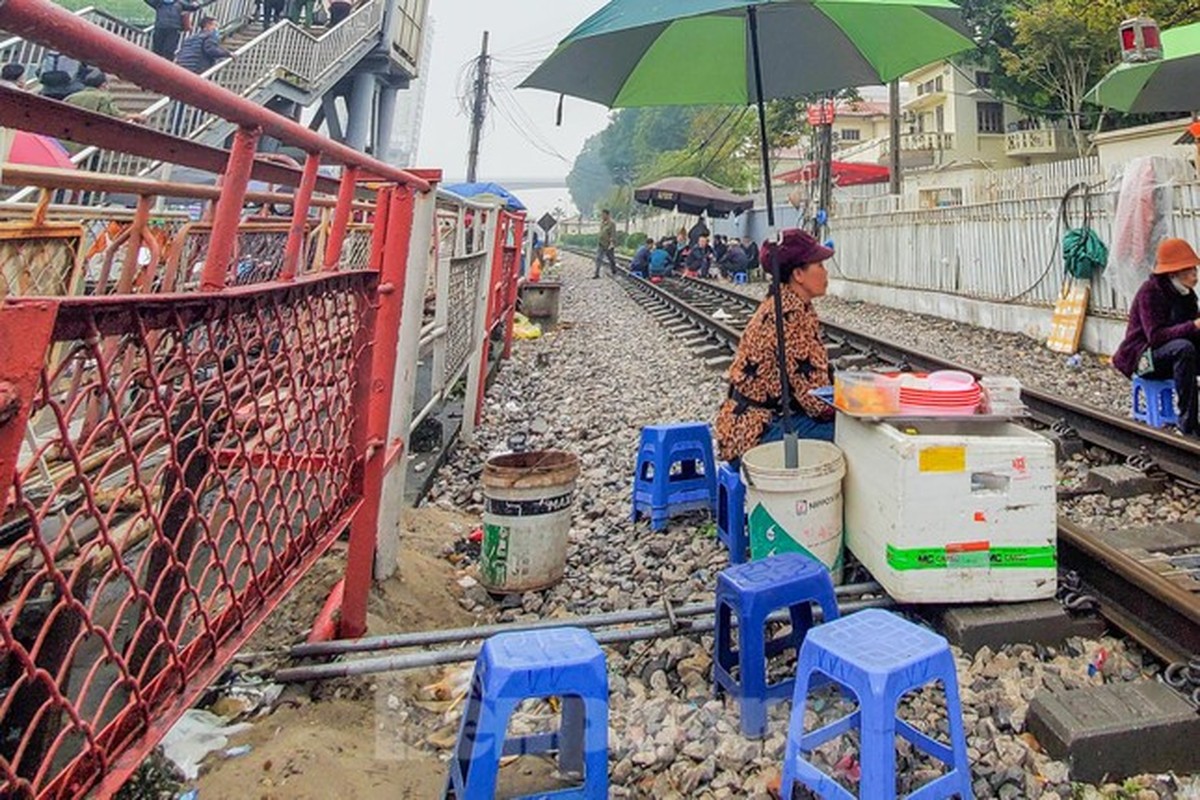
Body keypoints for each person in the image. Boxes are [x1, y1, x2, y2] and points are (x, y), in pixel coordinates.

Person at [715, 229, 836, 465]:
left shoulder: (787, 303)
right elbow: (816, 402)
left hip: (745, 424)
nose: (825, 272)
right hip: (757, 432)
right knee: (855, 438)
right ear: (798, 274)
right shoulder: (789, 314)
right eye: (819, 265)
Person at [1111, 237, 1200, 438]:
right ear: (1173, 273)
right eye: (1189, 270)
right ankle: (1188, 425)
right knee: (1183, 348)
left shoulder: (1187, 294)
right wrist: (1193, 326)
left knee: (1186, 348)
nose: (1195, 275)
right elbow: (1156, 336)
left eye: (1195, 269)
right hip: (1144, 358)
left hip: (1174, 356)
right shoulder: (1151, 293)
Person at [145, 0, 214, 61]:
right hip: (163, 28)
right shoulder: (160, 2)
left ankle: (166, 68)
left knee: (168, 51)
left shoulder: (178, 3)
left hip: (170, 29)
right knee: (158, 50)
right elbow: (193, 7)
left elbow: (193, 7)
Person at [64, 71, 144, 123]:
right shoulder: (102, 97)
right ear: (103, 85)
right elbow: (115, 116)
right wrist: (135, 116)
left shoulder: (71, 97)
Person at [594, 208, 616, 279]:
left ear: (607, 215)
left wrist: (612, 243)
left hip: (608, 245)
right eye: (602, 215)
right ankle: (596, 273)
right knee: (598, 258)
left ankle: (614, 270)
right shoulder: (602, 223)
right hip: (601, 244)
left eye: (603, 214)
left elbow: (613, 234)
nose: (602, 216)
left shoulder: (612, 223)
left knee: (611, 259)